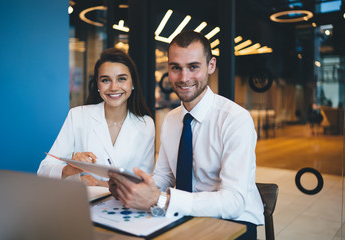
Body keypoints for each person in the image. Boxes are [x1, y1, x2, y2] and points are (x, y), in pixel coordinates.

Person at [109, 31, 264, 239]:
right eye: (176, 68)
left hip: (235, 221)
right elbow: (165, 176)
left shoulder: (236, 120)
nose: (184, 78)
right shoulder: (172, 119)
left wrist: (162, 199)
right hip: (185, 215)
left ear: (211, 66)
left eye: (193, 67)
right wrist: (134, 187)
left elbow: (234, 202)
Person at [38, 48, 155, 186]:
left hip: (127, 205)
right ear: (98, 84)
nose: (114, 87)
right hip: (86, 204)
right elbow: (44, 170)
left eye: (121, 79)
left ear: (133, 83)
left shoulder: (146, 124)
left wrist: (98, 183)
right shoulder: (77, 116)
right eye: (106, 80)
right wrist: (69, 169)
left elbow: (144, 181)